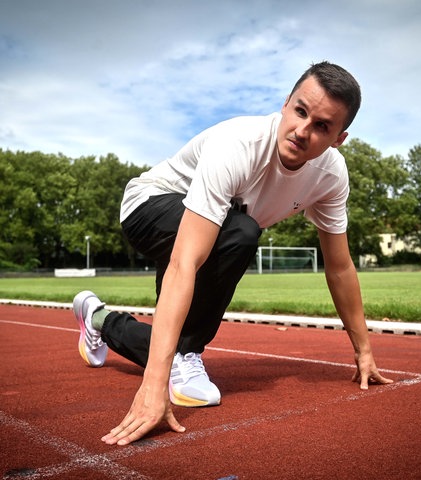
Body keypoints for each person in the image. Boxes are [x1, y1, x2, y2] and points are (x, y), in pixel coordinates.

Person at [73, 61, 393, 446]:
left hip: (210, 227)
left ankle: (99, 318)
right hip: (148, 206)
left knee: (235, 234)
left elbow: (340, 268)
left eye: (322, 126)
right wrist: (152, 387)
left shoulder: (330, 176)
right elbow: (184, 263)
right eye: (300, 111)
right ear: (285, 103)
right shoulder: (239, 146)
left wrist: (364, 352)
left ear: (339, 138)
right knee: (241, 231)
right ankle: (183, 355)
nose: (302, 131)